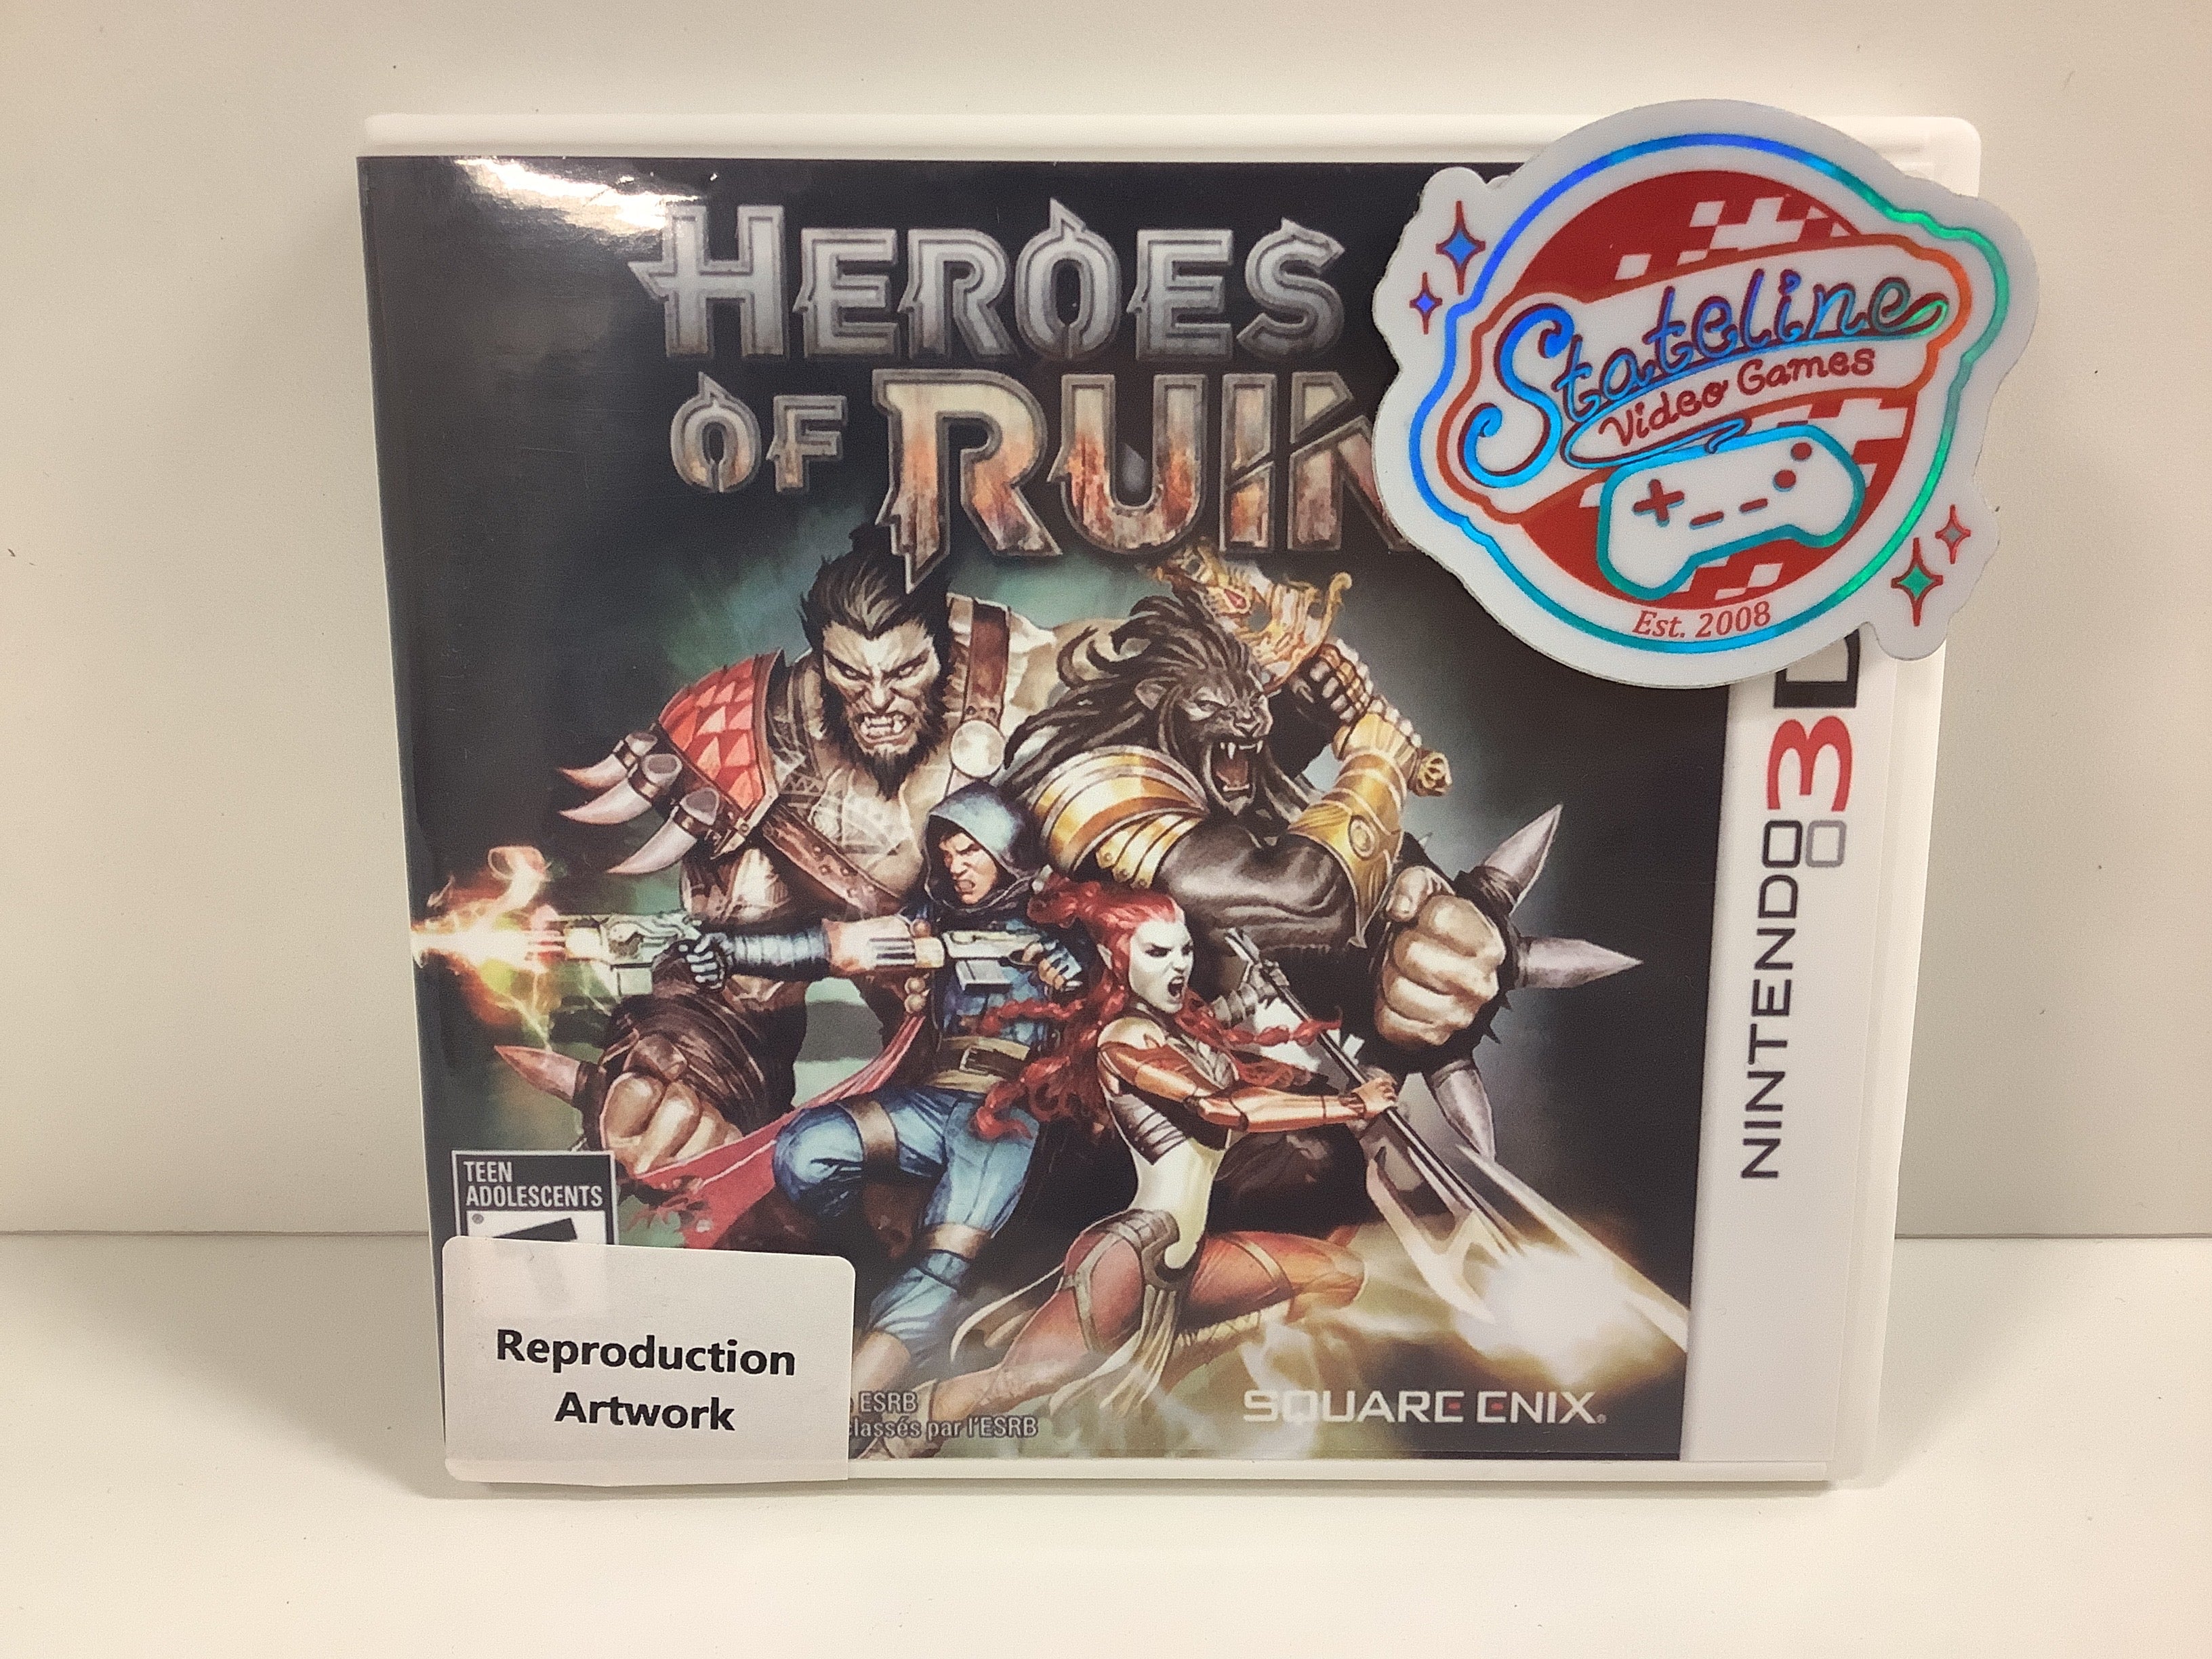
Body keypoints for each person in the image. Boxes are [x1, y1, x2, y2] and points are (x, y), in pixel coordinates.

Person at [523, 527, 1097, 1165]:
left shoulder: (1056, 684)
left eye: (905, 671)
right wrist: (685, 1074)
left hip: (1098, 1067)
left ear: (943, 649)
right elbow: (739, 991)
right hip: (942, 1100)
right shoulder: (767, 747)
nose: (877, 702)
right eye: (850, 672)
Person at [886, 882, 1393, 1451]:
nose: (1178, 965)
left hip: (1189, 1255)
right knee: (1016, 1383)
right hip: (1132, 1251)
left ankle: (1163, 1357)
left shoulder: (1182, 1034)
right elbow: (1220, 1107)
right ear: (1116, 958)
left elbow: (1230, 1072)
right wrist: (1349, 1106)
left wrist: (1260, 1013)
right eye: (1156, 952)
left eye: (1184, 950)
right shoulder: (1123, 1039)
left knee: (1337, 1274)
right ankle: (892, 1441)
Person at [680, 782, 1087, 1395]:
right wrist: (732, 951)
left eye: (970, 852)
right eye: (947, 855)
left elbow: (1135, 968)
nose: (957, 866)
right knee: (808, 1150)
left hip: (1011, 1118)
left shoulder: (1066, 929)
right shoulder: (933, 928)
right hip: (938, 1102)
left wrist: (1081, 964)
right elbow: (835, 948)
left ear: (1010, 852)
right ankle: (868, 1265)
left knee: (944, 1260)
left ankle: (857, 1396)